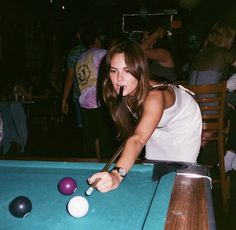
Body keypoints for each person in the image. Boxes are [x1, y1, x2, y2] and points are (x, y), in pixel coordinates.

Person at [88, 40, 202, 193]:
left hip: (183, 122)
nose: (119, 79)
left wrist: (116, 175)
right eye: (114, 71)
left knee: (180, 178)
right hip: (157, 123)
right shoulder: (116, 91)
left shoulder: (154, 96)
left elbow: (138, 139)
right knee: (155, 173)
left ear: (139, 70)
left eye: (127, 70)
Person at [187, 21, 236, 171]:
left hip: (194, 110)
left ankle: (228, 158)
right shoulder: (224, 53)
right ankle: (229, 159)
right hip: (212, 113)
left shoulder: (200, 54)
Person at [75, 26, 115, 158]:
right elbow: (110, 75)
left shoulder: (81, 57)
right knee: (105, 137)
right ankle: (106, 169)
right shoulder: (102, 53)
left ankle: (87, 165)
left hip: (84, 102)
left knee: (88, 137)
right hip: (99, 101)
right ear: (97, 39)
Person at [61, 24, 86, 127]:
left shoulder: (75, 53)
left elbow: (70, 78)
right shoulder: (103, 51)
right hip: (99, 97)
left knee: (86, 130)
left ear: (78, 35)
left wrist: (64, 100)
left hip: (80, 96)